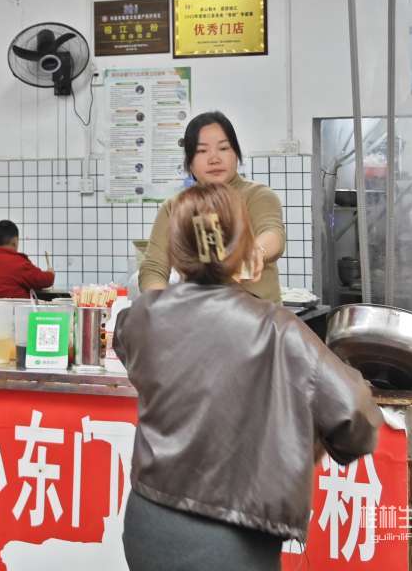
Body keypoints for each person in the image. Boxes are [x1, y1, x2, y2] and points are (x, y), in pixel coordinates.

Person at [115, 182, 381, 571]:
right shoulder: (278, 329)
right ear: (244, 247)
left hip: (146, 523)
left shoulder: (140, 317)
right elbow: (356, 414)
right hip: (231, 541)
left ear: (176, 251)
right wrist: (316, 445)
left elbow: (135, 350)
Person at [139, 111, 286, 301]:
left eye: (223, 148)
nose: (214, 158)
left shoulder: (258, 195)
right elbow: (153, 268)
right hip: (198, 313)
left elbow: (273, 234)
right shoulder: (176, 207)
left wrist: (256, 252)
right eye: (202, 151)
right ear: (190, 163)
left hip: (256, 314)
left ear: (236, 155)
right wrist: (162, 307)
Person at [0, 219, 55, 299]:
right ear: (15, 241)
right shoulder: (19, 263)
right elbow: (43, 281)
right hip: (13, 308)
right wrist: (50, 274)